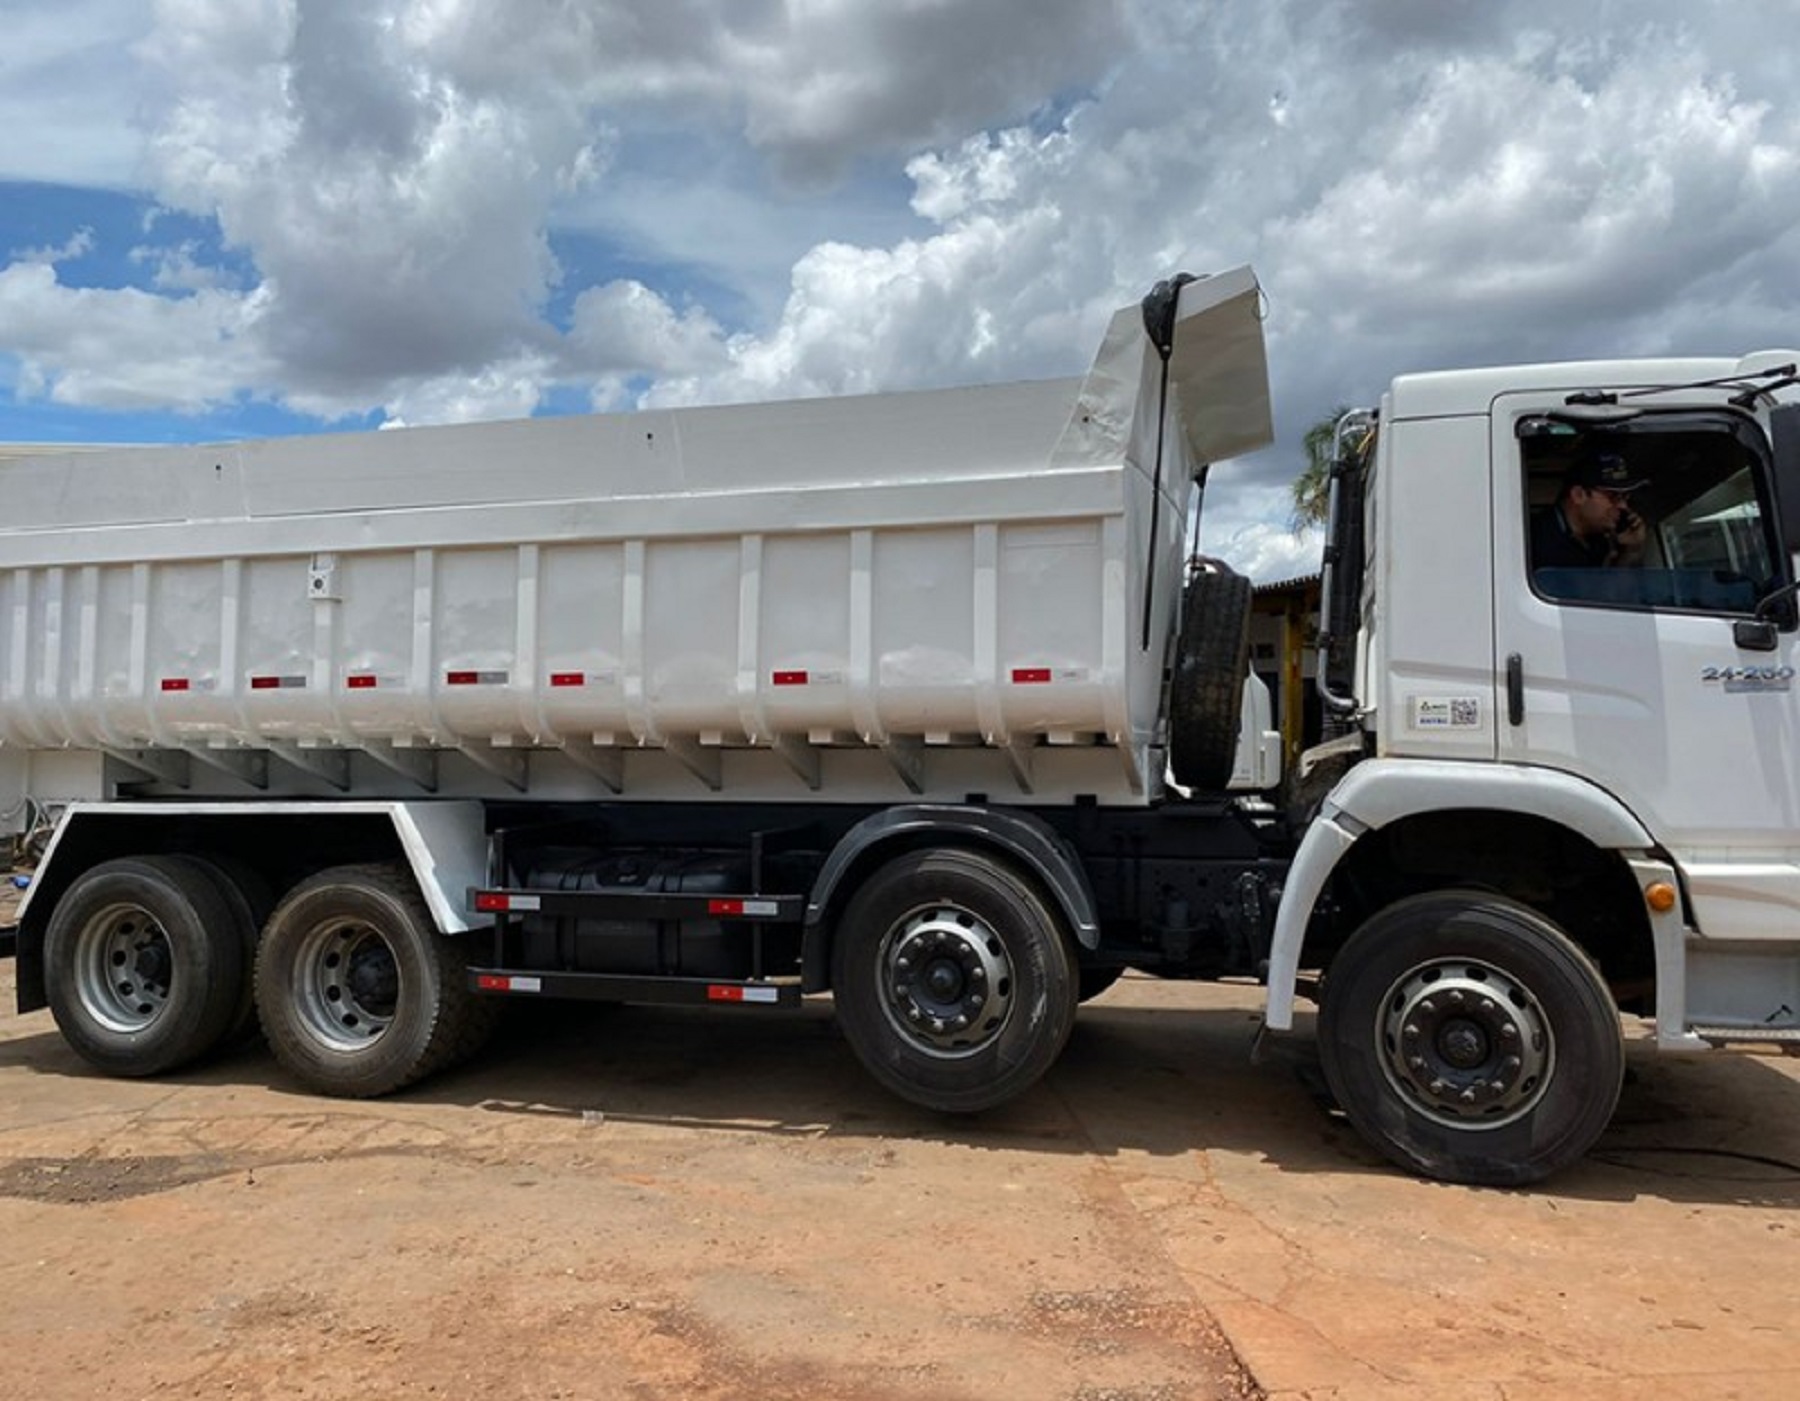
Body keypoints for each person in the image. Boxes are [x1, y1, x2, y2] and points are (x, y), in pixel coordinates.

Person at [1530, 450, 1647, 572]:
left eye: (1625, 497)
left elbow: (1612, 589)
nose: (1623, 506)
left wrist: (1632, 551)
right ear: (1578, 495)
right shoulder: (1533, 541)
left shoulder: (1600, 540)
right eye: (1613, 496)